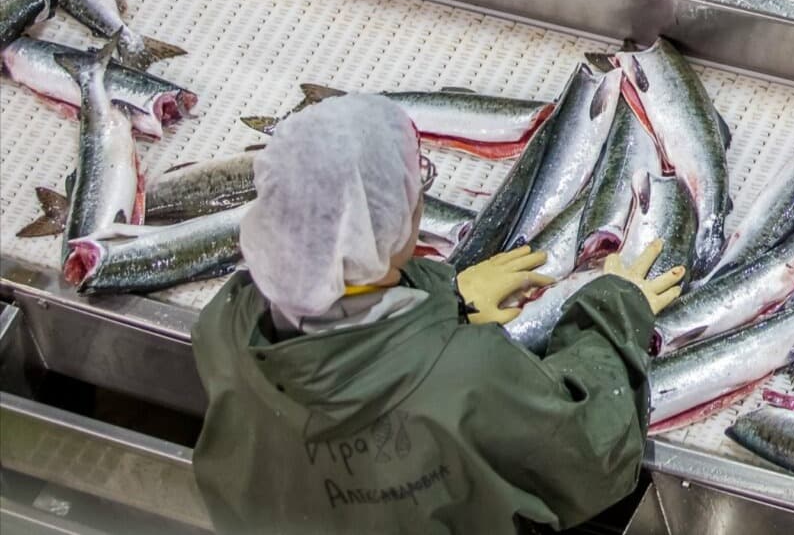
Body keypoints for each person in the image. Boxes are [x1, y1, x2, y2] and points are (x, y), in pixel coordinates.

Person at [190, 95, 686, 534]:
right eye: (414, 184)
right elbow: (594, 454)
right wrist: (616, 306)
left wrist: (449, 296)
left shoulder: (226, 325)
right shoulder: (468, 378)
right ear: (391, 226)